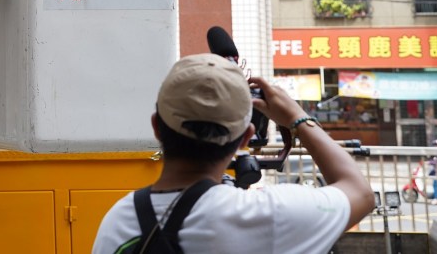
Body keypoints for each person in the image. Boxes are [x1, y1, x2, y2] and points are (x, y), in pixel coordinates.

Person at [92, 54, 374, 254]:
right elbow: (360, 193)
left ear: (156, 127)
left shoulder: (118, 220)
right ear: (246, 138)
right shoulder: (271, 215)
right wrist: (296, 117)